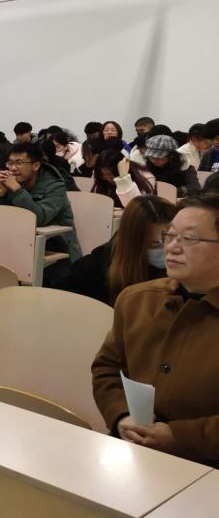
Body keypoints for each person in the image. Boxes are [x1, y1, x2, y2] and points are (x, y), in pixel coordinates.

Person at [92, 195, 219, 467]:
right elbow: (106, 368)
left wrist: (181, 437)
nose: (171, 247)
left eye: (189, 239)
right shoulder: (136, 300)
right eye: (169, 236)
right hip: (133, 450)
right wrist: (120, 416)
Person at [0, 142, 82, 273]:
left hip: (58, 251)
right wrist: (1, 193)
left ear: (36, 165)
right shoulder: (12, 183)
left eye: (19, 163)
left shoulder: (55, 186)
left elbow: (39, 218)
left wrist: (17, 190)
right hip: (21, 243)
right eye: (10, 163)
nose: (13, 168)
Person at [64, 196, 176, 304]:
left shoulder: (182, 266)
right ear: (132, 242)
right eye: (154, 244)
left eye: (172, 238)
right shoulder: (96, 268)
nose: (167, 248)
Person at [92, 150, 156, 208]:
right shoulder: (102, 180)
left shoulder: (146, 177)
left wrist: (124, 177)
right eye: (103, 176)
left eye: (111, 175)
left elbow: (138, 207)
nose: (108, 179)